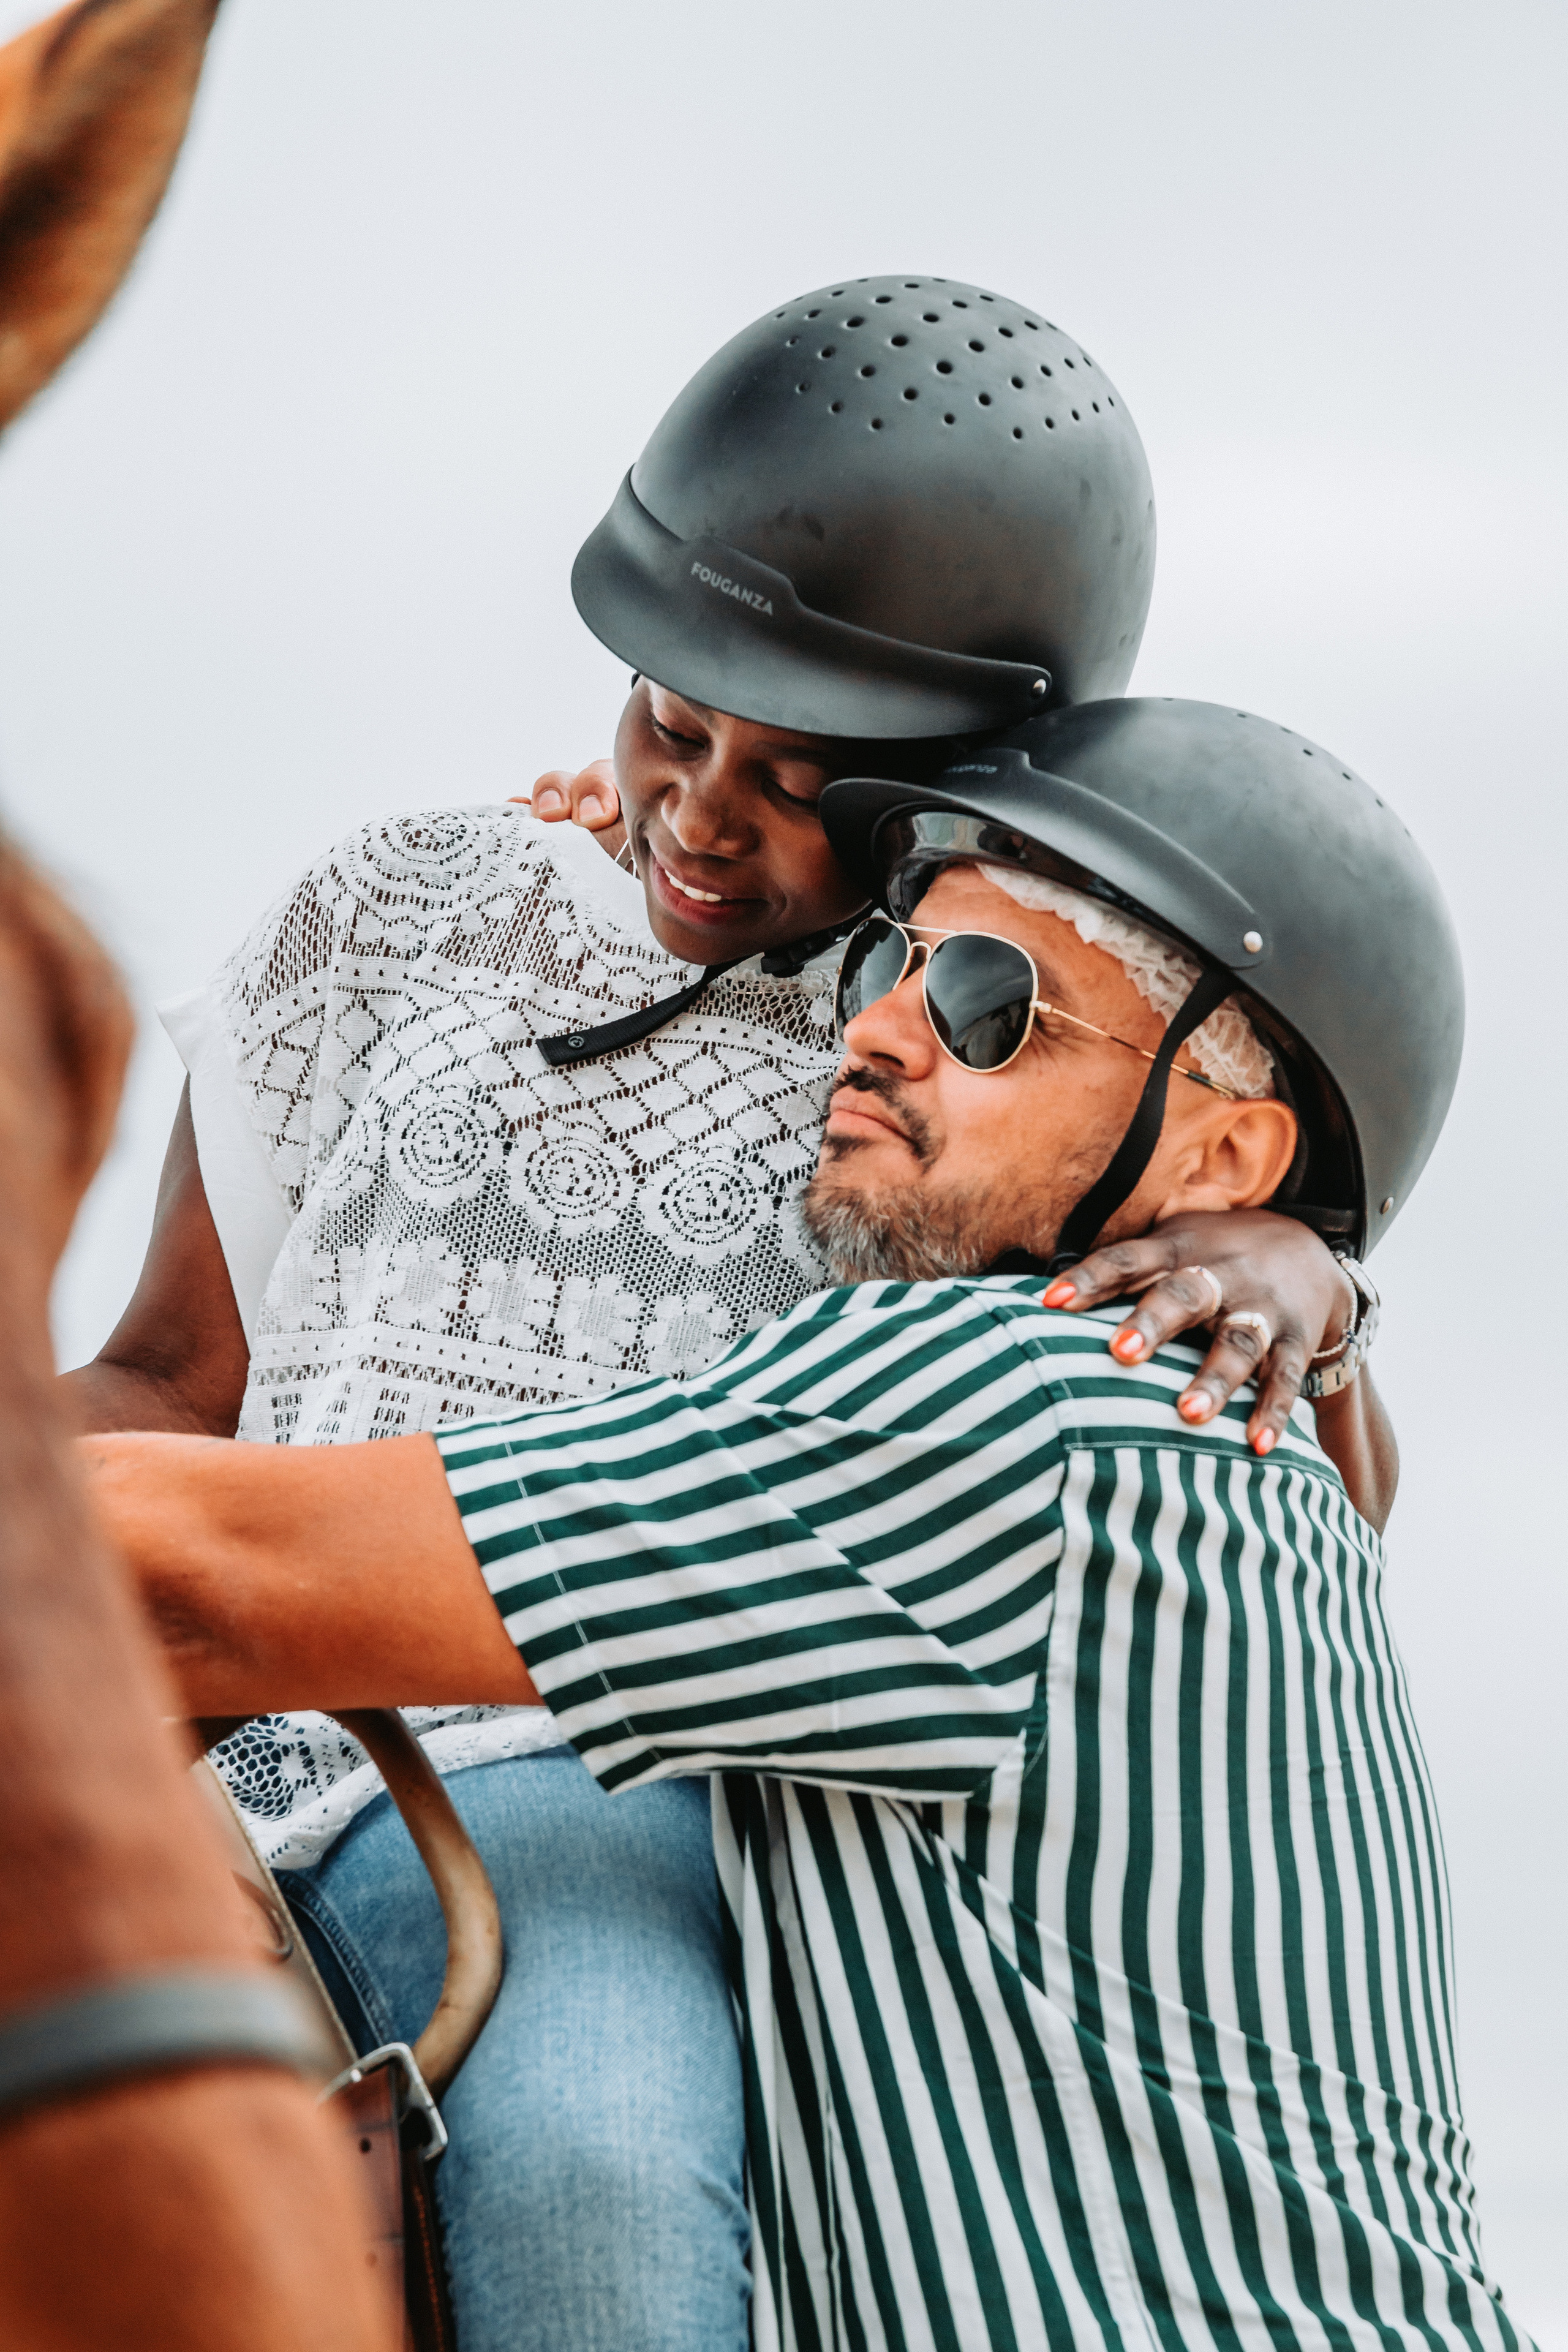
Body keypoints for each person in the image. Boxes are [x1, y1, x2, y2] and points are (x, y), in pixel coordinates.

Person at [69, 281, 1391, 2349]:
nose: (699, 810)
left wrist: (1308, 1265)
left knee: (602, 2155)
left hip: (589, 1769)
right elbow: (171, 1374)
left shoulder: (957, 1053)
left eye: (794, 779)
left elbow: (1227, 1498)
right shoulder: (402, 908)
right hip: (220, 1673)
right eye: (672, 725)